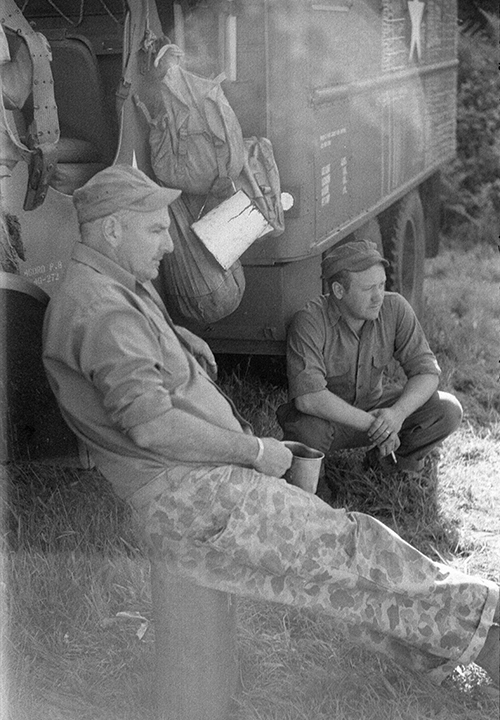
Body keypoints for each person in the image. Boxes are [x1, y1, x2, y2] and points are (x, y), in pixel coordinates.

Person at [42, 166, 498, 689]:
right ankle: (487, 617)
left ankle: (469, 645)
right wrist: (257, 451)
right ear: (111, 229)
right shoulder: (104, 311)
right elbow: (153, 428)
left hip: (193, 484)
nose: (169, 244)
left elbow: (136, 357)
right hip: (191, 494)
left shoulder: (111, 286)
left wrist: (176, 339)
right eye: (156, 229)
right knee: (354, 550)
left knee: (336, 581)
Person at [277, 240, 463, 489]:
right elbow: (308, 399)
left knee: (447, 409)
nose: (378, 297)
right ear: (338, 290)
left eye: (381, 285)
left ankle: (390, 464)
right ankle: (314, 487)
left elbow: (427, 372)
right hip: (329, 420)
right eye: (368, 289)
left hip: (376, 409)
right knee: (306, 430)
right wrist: (376, 425)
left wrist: (397, 414)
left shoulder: (395, 308)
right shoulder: (309, 322)